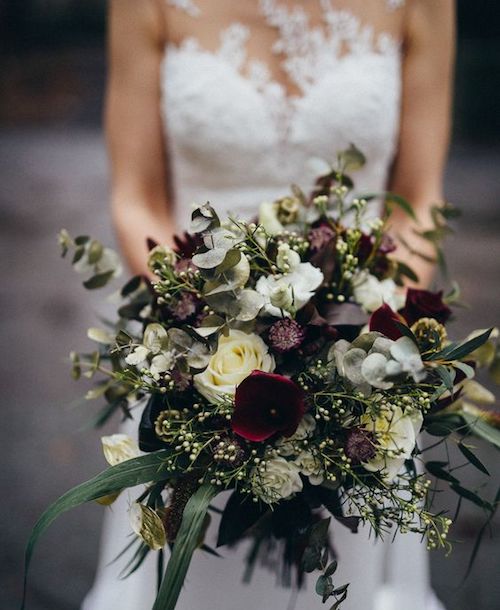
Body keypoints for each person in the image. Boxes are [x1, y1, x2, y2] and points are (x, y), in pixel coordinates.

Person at [82, 1, 455, 609]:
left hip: (361, 368)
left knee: (346, 578)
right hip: (191, 347)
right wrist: (198, 322)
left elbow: (418, 198)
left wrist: (366, 348)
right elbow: (137, 197)